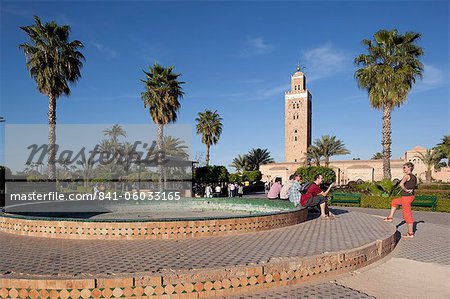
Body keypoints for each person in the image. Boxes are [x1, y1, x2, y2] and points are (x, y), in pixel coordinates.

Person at [383, 162, 417, 238]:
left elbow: (401, 184)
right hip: (409, 197)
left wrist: (405, 189)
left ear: (409, 168)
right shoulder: (414, 177)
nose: (403, 169)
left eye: (404, 167)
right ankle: (390, 218)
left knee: (407, 214)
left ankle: (410, 233)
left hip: (406, 197)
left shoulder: (407, 176)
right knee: (394, 201)